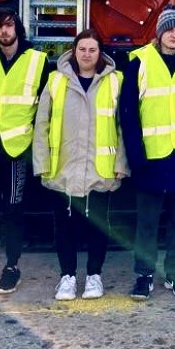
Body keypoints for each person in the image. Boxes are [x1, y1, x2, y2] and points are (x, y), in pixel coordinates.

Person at [119, 5, 175, 300]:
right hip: (151, 157)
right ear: (159, 33)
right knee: (147, 221)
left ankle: (174, 273)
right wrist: (136, 157)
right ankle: (144, 276)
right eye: (170, 29)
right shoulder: (139, 62)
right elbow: (128, 114)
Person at [33, 29, 128, 301]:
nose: (87, 54)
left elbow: (123, 127)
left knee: (99, 225)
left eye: (92, 50)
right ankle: (68, 277)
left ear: (101, 54)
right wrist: (41, 163)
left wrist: (121, 162)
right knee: (64, 225)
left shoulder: (115, 82)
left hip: (101, 168)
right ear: (74, 52)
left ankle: (94, 276)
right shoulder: (55, 81)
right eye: (82, 49)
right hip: (63, 167)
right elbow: (42, 125)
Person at [0, 7, 49, 296]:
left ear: (17, 28)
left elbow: (47, 107)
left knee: (14, 210)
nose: (5, 31)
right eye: (0, 27)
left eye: (9, 25)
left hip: (16, 151)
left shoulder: (37, 61)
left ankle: (13, 267)